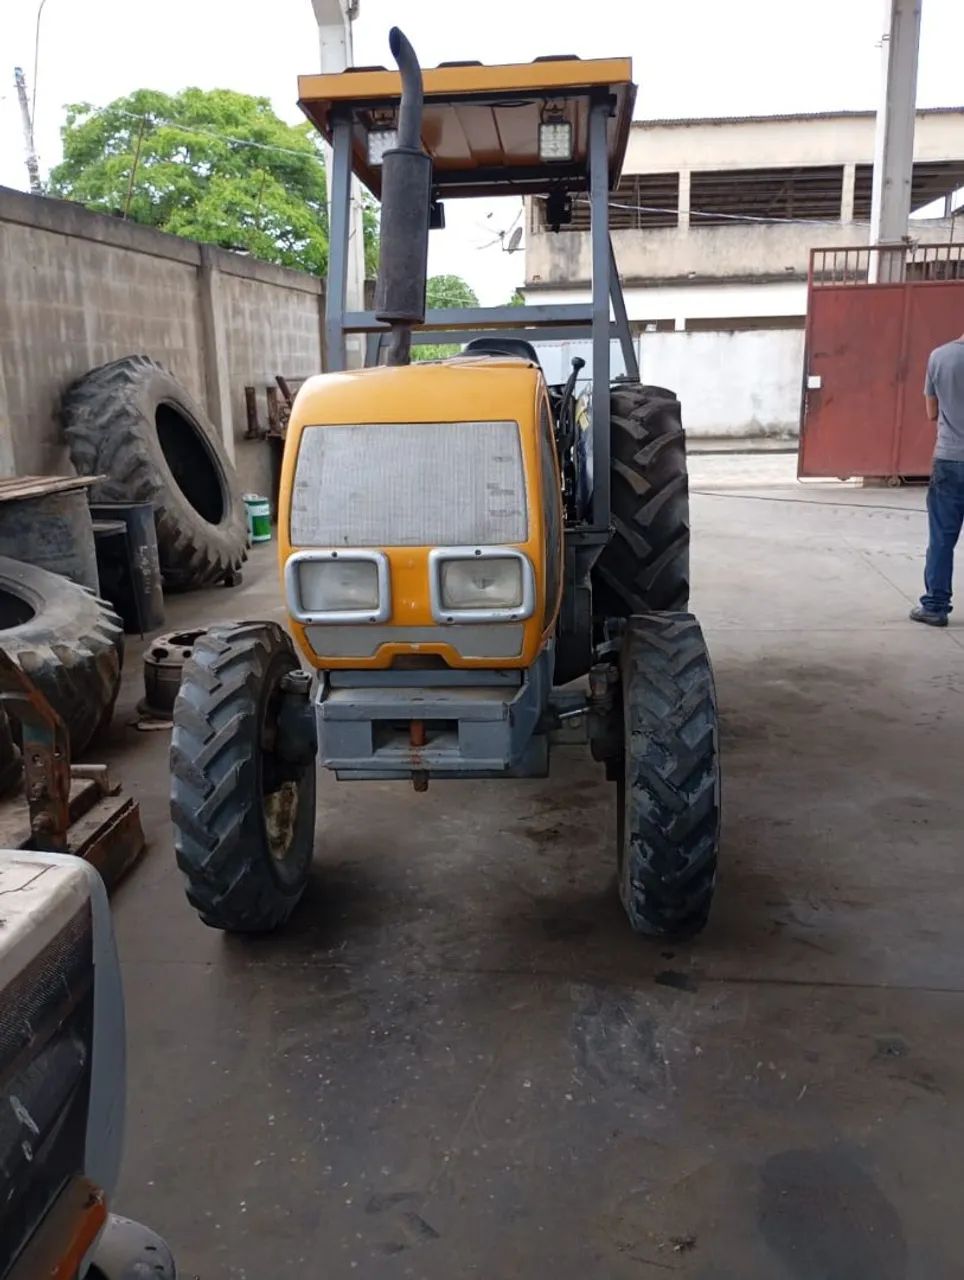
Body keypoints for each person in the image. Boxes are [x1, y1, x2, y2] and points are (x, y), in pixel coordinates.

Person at [911, 331, 964, 627]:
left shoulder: (939, 357)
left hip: (950, 459)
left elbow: (931, 412)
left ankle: (935, 606)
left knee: (942, 538)